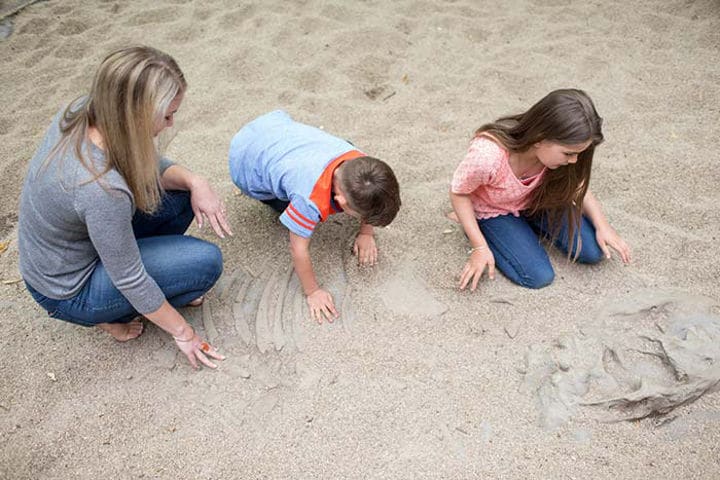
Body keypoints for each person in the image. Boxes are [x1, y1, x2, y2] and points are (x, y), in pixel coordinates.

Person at [18, 46, 231, 369]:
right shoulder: (101, 188)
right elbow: (129, 278)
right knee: (205, 264)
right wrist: (182, 332)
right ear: (136, 116)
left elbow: (148, 164)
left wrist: (196, 181)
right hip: (68, 289)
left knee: (183, 195)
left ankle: (156, 284)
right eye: (167, 115)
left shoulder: (83, 110)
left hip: (74, 246)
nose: (171, 123)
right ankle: (107, 316)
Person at [449, 88, 631, 291]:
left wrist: (603, 225)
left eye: (579, 153)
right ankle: (481, 228)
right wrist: (479, 246)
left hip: (538, 201)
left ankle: (524, 227)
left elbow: (577, 185)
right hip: (494, 211)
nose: (574, 160)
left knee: (593, 251)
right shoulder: (488, 156)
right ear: (540, 139)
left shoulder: (562, 158)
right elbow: (459, 191)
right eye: (568, 153)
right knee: (538, 276)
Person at [229, 110, 401, 323]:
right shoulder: (309, 199)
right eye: (362, 218)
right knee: (286, 209)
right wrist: (313, 291)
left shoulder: (361, 161)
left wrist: (366, 233)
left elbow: (372, 193)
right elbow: (298, 249)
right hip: (245, 161)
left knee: (364, 194)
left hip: (272, 126)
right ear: (341, 202)